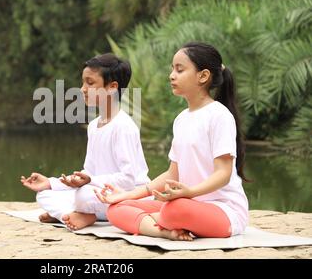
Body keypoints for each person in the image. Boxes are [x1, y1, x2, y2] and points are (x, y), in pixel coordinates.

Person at [95, 42, 249, 241]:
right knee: (116, 209)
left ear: (203, 76)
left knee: (174, 209)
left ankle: (151, 222)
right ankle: (163, 231)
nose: (172, 75)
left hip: (223, 210)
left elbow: (223, 173)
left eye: (180, 69)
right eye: (172, 69)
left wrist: (190, 192)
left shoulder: (219, 116)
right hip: (185, 201)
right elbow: (172, 173)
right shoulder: (181, 119)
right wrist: (128, 195)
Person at [21, 53, 150, 230]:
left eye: (90, 83)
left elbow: (127, 180)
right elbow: (88, 173)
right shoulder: (94, 125)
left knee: (83, 196)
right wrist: (52, 182)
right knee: (44, 194)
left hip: (128, 196)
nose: (82, 89)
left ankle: (72, 214)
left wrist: (89, 181)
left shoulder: (123, 126)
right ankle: (77, 214)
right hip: (99, 194)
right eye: (83, 83)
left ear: (112, 87)